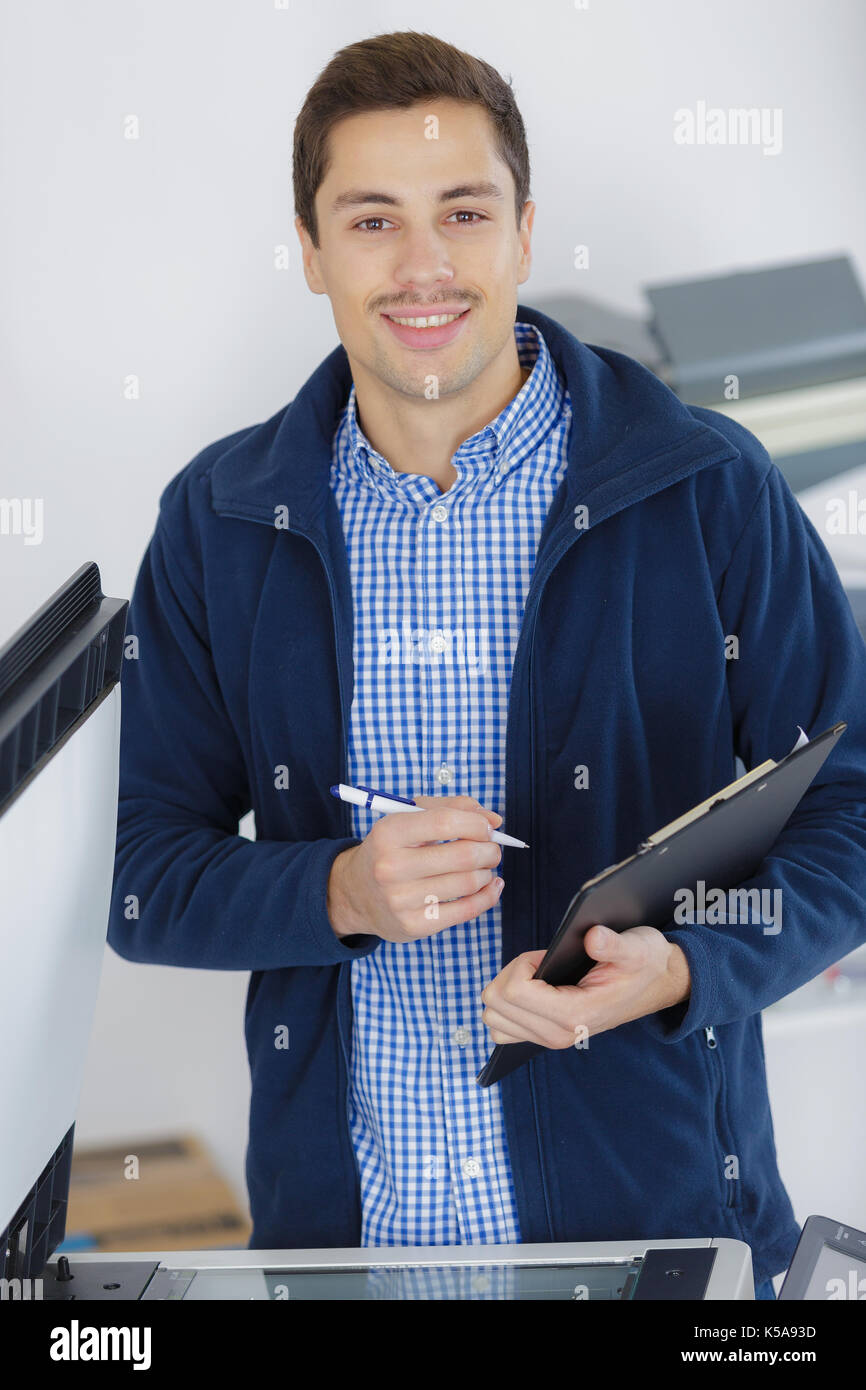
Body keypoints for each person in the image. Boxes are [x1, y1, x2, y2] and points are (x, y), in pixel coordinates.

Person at [109, 31, 866, 1296]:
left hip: (657, 1236)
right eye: (370, 220)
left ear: (522, 233)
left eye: (462, 211)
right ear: (308, 250)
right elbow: (143, 880)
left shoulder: (708, 487)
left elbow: (851, 803)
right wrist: (339, 891)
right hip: (344, 1253)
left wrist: (686, 962)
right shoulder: (216, 521)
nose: (422, 266)